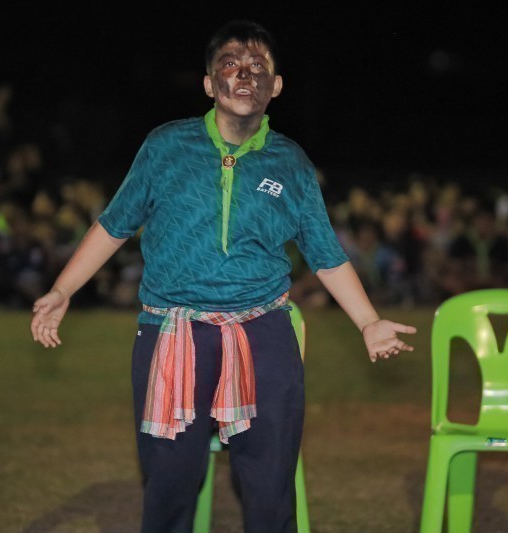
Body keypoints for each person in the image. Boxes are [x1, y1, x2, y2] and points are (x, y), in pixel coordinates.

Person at [30, 20, 416, 532]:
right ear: (210, 84)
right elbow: (114, 224)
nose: (244, 75)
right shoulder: (166, 147)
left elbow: (325, 253)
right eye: (230, 65)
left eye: (258, 67)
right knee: (169, 483)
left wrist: (368, 322)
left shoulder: (291, 163)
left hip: (263, 333)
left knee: (269, 486)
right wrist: (62, 289)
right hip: (172, 331)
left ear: (276, 85)